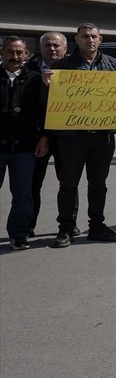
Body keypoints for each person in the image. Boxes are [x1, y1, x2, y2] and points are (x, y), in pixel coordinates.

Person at [45, 24, 116, 247]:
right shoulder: (61, 66)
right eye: (85, 36)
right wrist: (46, 85)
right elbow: (47, 103)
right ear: (76, 39)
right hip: (72, 137)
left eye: (94, 36)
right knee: (68, 183)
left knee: (98, 184)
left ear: (100, 39)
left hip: (102, 137)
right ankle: (66, 228)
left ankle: (97, 226)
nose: (90, 40)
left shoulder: (113, 65)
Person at [2, 37, 42, 250]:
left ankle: (18, 234)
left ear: (26, 54)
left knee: (23, 194)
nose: (15, 56)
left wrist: (44, 137)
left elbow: (44, 112)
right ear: (2, 52)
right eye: (10, 51)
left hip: (25, 147)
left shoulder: (36, 79)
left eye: (19, 52)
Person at [26, 31, 67, 237]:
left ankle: (67, 224)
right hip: (36, 138)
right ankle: (28, 225)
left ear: (65, 49)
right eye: (48, 45)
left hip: (65, 138)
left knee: (68, 183)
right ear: (40, 48)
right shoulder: (28, 71)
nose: (52, 49)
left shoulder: (76, 70)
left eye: (56, 45)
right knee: (32, 184)